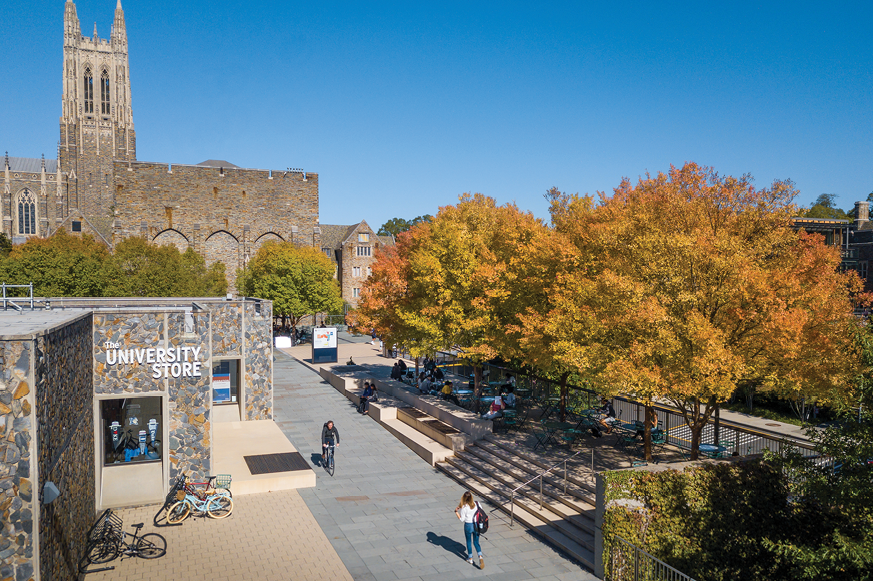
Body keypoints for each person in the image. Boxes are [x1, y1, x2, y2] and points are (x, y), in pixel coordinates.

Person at [454, 491, 484, 569]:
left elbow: (462, 519)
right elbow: (481, 512)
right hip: (476, 525)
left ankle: (470, 558)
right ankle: (480, 556)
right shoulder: (477, 504)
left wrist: (456, 512)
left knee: (469, 541)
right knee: (476, 542)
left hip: (468, 525)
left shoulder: (464, 507)